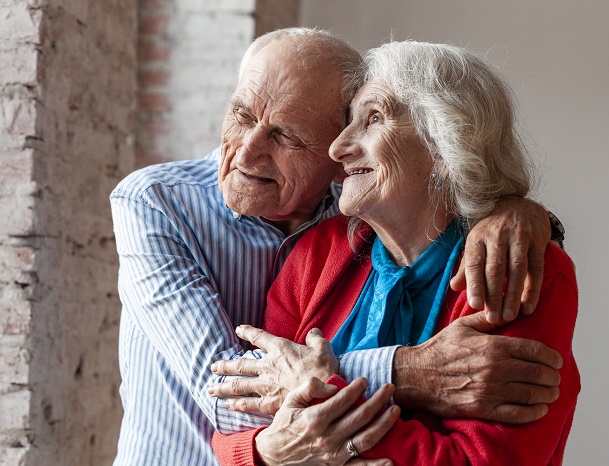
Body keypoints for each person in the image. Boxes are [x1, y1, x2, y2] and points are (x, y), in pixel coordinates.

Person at [110, 28, 562, 466]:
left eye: (286, 136)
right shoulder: (156, 202)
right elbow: (235, 400)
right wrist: (409, 373)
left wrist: (521, 210)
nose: (246, 153)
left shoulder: (353, 219)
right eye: (242, 115)